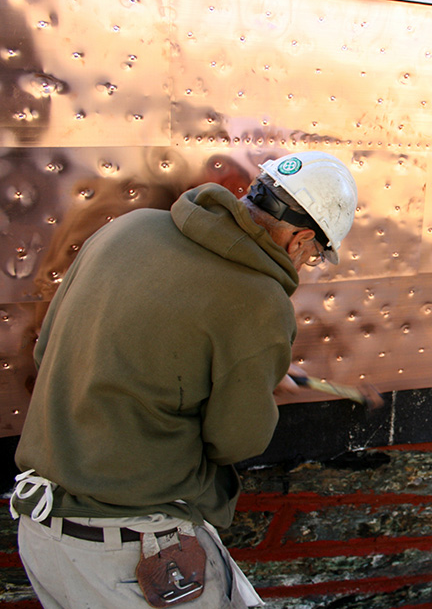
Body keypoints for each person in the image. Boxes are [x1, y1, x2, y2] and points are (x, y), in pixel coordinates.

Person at [8, 151, 358, 608]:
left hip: (41, 530)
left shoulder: (128, 228)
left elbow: (50, 349)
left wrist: (237, 373)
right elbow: (236, 441)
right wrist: (253, 388)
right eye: (313, 256)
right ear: (300, 237)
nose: (305, 264)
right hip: (131, 552)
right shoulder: (258, 300)